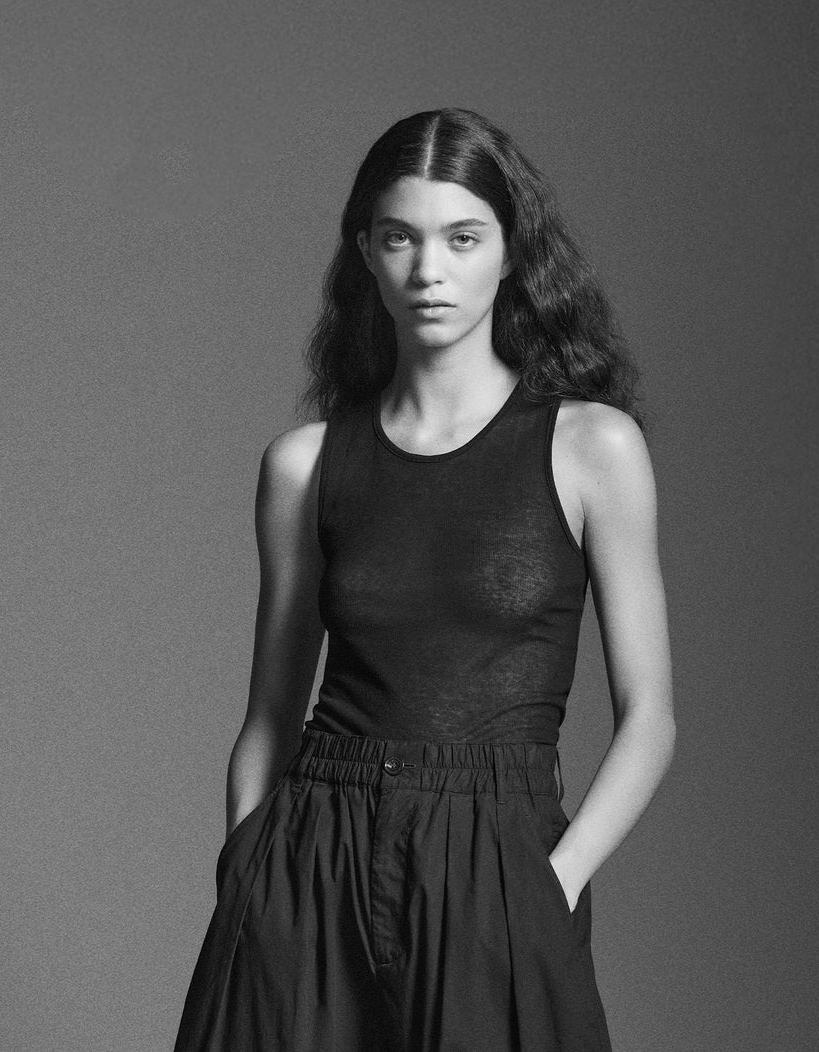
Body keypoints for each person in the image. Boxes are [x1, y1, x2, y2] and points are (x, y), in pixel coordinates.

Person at [174, 108, 674, 1052]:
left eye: (463, 238)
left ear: (512, 251)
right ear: (367, 252)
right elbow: (270, 715)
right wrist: (247, 870)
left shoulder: (591, 447)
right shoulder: (304, 465)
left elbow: (650, 716)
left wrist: (555, 881)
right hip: (312, 853)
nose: (429, 270)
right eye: (401, 237)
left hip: (499, 857)